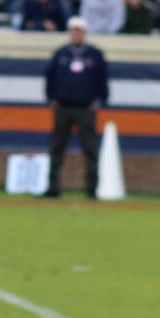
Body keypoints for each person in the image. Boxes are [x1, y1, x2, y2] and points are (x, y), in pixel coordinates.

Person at [41, 17, 109, 197]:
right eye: (73, 31)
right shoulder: (61, 53)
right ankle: (53, 187)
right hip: (63, 106)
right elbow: (50, 76)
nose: (76, 34)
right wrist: (51, 98)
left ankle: (92, 189)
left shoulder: (94, 54)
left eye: (79, 31)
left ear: (84, 33)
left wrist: (99, 99)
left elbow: (102, 79)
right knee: (57, 147)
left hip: (86, 107)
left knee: (90, 149)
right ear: (69, 32)